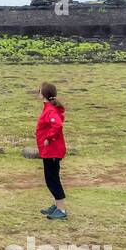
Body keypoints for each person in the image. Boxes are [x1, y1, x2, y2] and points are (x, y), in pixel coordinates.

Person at [36, 82, 69, 220]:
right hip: (49, 151)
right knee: (51, 178)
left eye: (39, 90)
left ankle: (61, 210)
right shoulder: (48, 108)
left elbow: (57, 125)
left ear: (43, 94)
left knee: (52, 180)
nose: (37, 92)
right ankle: (57, 206)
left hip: (52, 151)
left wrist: (49, 138)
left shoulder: (50, 110)